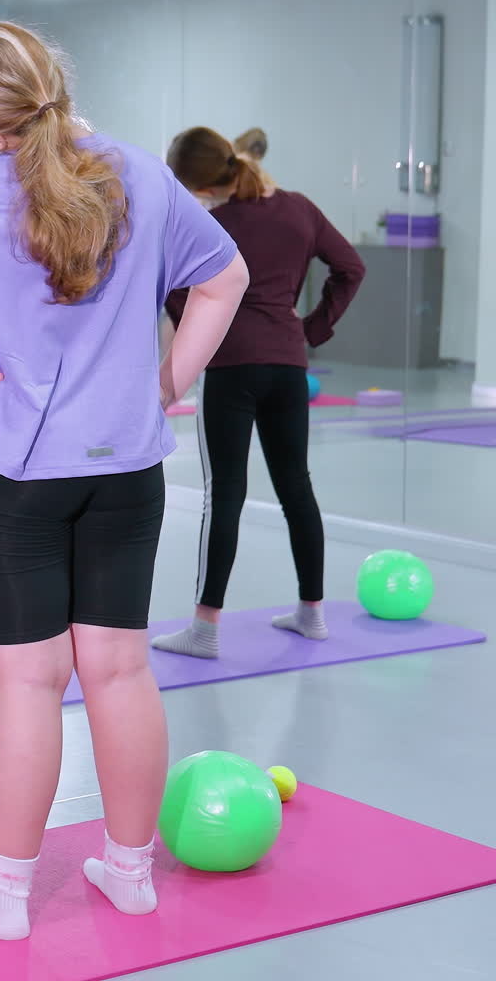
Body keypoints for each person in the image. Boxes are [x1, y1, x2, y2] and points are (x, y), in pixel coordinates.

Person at [0, 23, 248, 941]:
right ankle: (129, 873)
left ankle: (3, 897)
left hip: (15, 477)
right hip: (127, 467)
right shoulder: (140, 173)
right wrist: (170, 379)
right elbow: (225, 276)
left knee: (31, 683)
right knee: (121, 670)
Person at [151, 126, 365, 661]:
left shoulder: (210, 223)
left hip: (230, 368)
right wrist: (309, 330)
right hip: (288, 365)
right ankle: (311, 613)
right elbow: (350, 268)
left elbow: (173, 290)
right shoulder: (299, 209)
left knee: (224, 493)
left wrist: (197, 333)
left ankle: (204, 630)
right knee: (297, 486)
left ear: (197, 184)